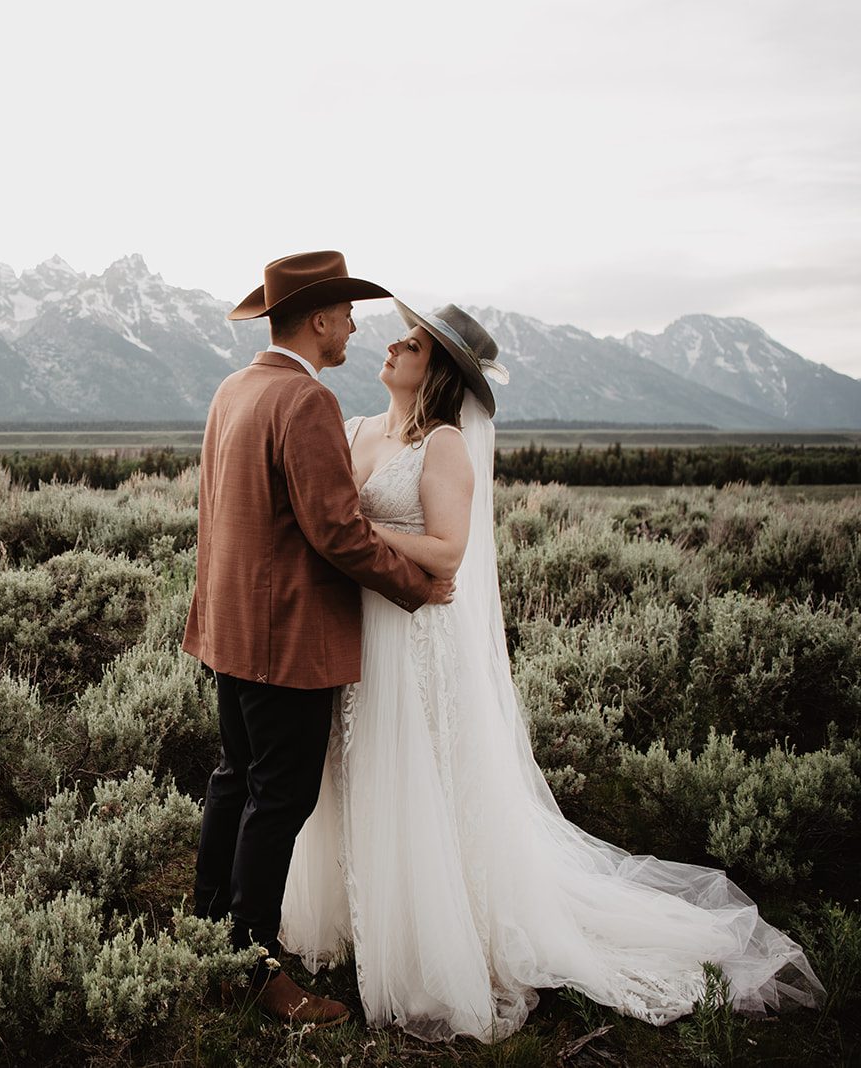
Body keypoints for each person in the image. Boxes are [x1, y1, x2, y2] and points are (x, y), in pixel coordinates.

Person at [278, 301, 824, 1042]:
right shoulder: (354, 431)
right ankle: (359, 915)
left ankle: (432, 939)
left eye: (413, 343)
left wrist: (352, 531)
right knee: (354, 769)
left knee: (416, 775)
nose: (394, 344)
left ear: (435, 371)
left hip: (413, 636)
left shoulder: (442, 447)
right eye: (403, 336)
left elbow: (447, 554)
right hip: (357, 631)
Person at [183, 251, 452, 1025]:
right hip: (286, 638)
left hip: (230, 628)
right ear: (320, 320)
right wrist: (419, 586)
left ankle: (210, 935)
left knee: (236, 779)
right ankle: (253, 970)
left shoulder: (233, 390)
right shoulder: (305, 402)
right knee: (279, 797)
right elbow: (335, 531)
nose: (356, 326)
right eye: (346, 313)